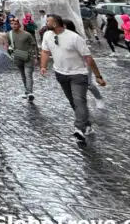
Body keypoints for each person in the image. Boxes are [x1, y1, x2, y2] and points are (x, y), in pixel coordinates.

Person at [40, 14, 107, 147]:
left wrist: (98, 76)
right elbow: (45, 52)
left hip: (78, 74)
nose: (45, 23)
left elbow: (88, 57)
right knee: (73, 102)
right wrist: (43, 66)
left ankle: (78, 128)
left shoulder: (74, 37)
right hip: (60, 73)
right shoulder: (47, 35)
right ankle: (86, 125)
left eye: (48, 21)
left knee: (79, 100)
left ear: (55, 24)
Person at [7, 17, 38, 101]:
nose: (13, 25)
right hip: (17, 57)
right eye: (12, 24)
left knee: (28, 74)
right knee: (23, 75)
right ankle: (27, 91)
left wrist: (35, 56)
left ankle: (30, 92)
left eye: (15, 24)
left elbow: (34, 45)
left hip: (28, 57)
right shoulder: (9, 34)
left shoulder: (27, 34)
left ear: (19, 25)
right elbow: (7, 45)